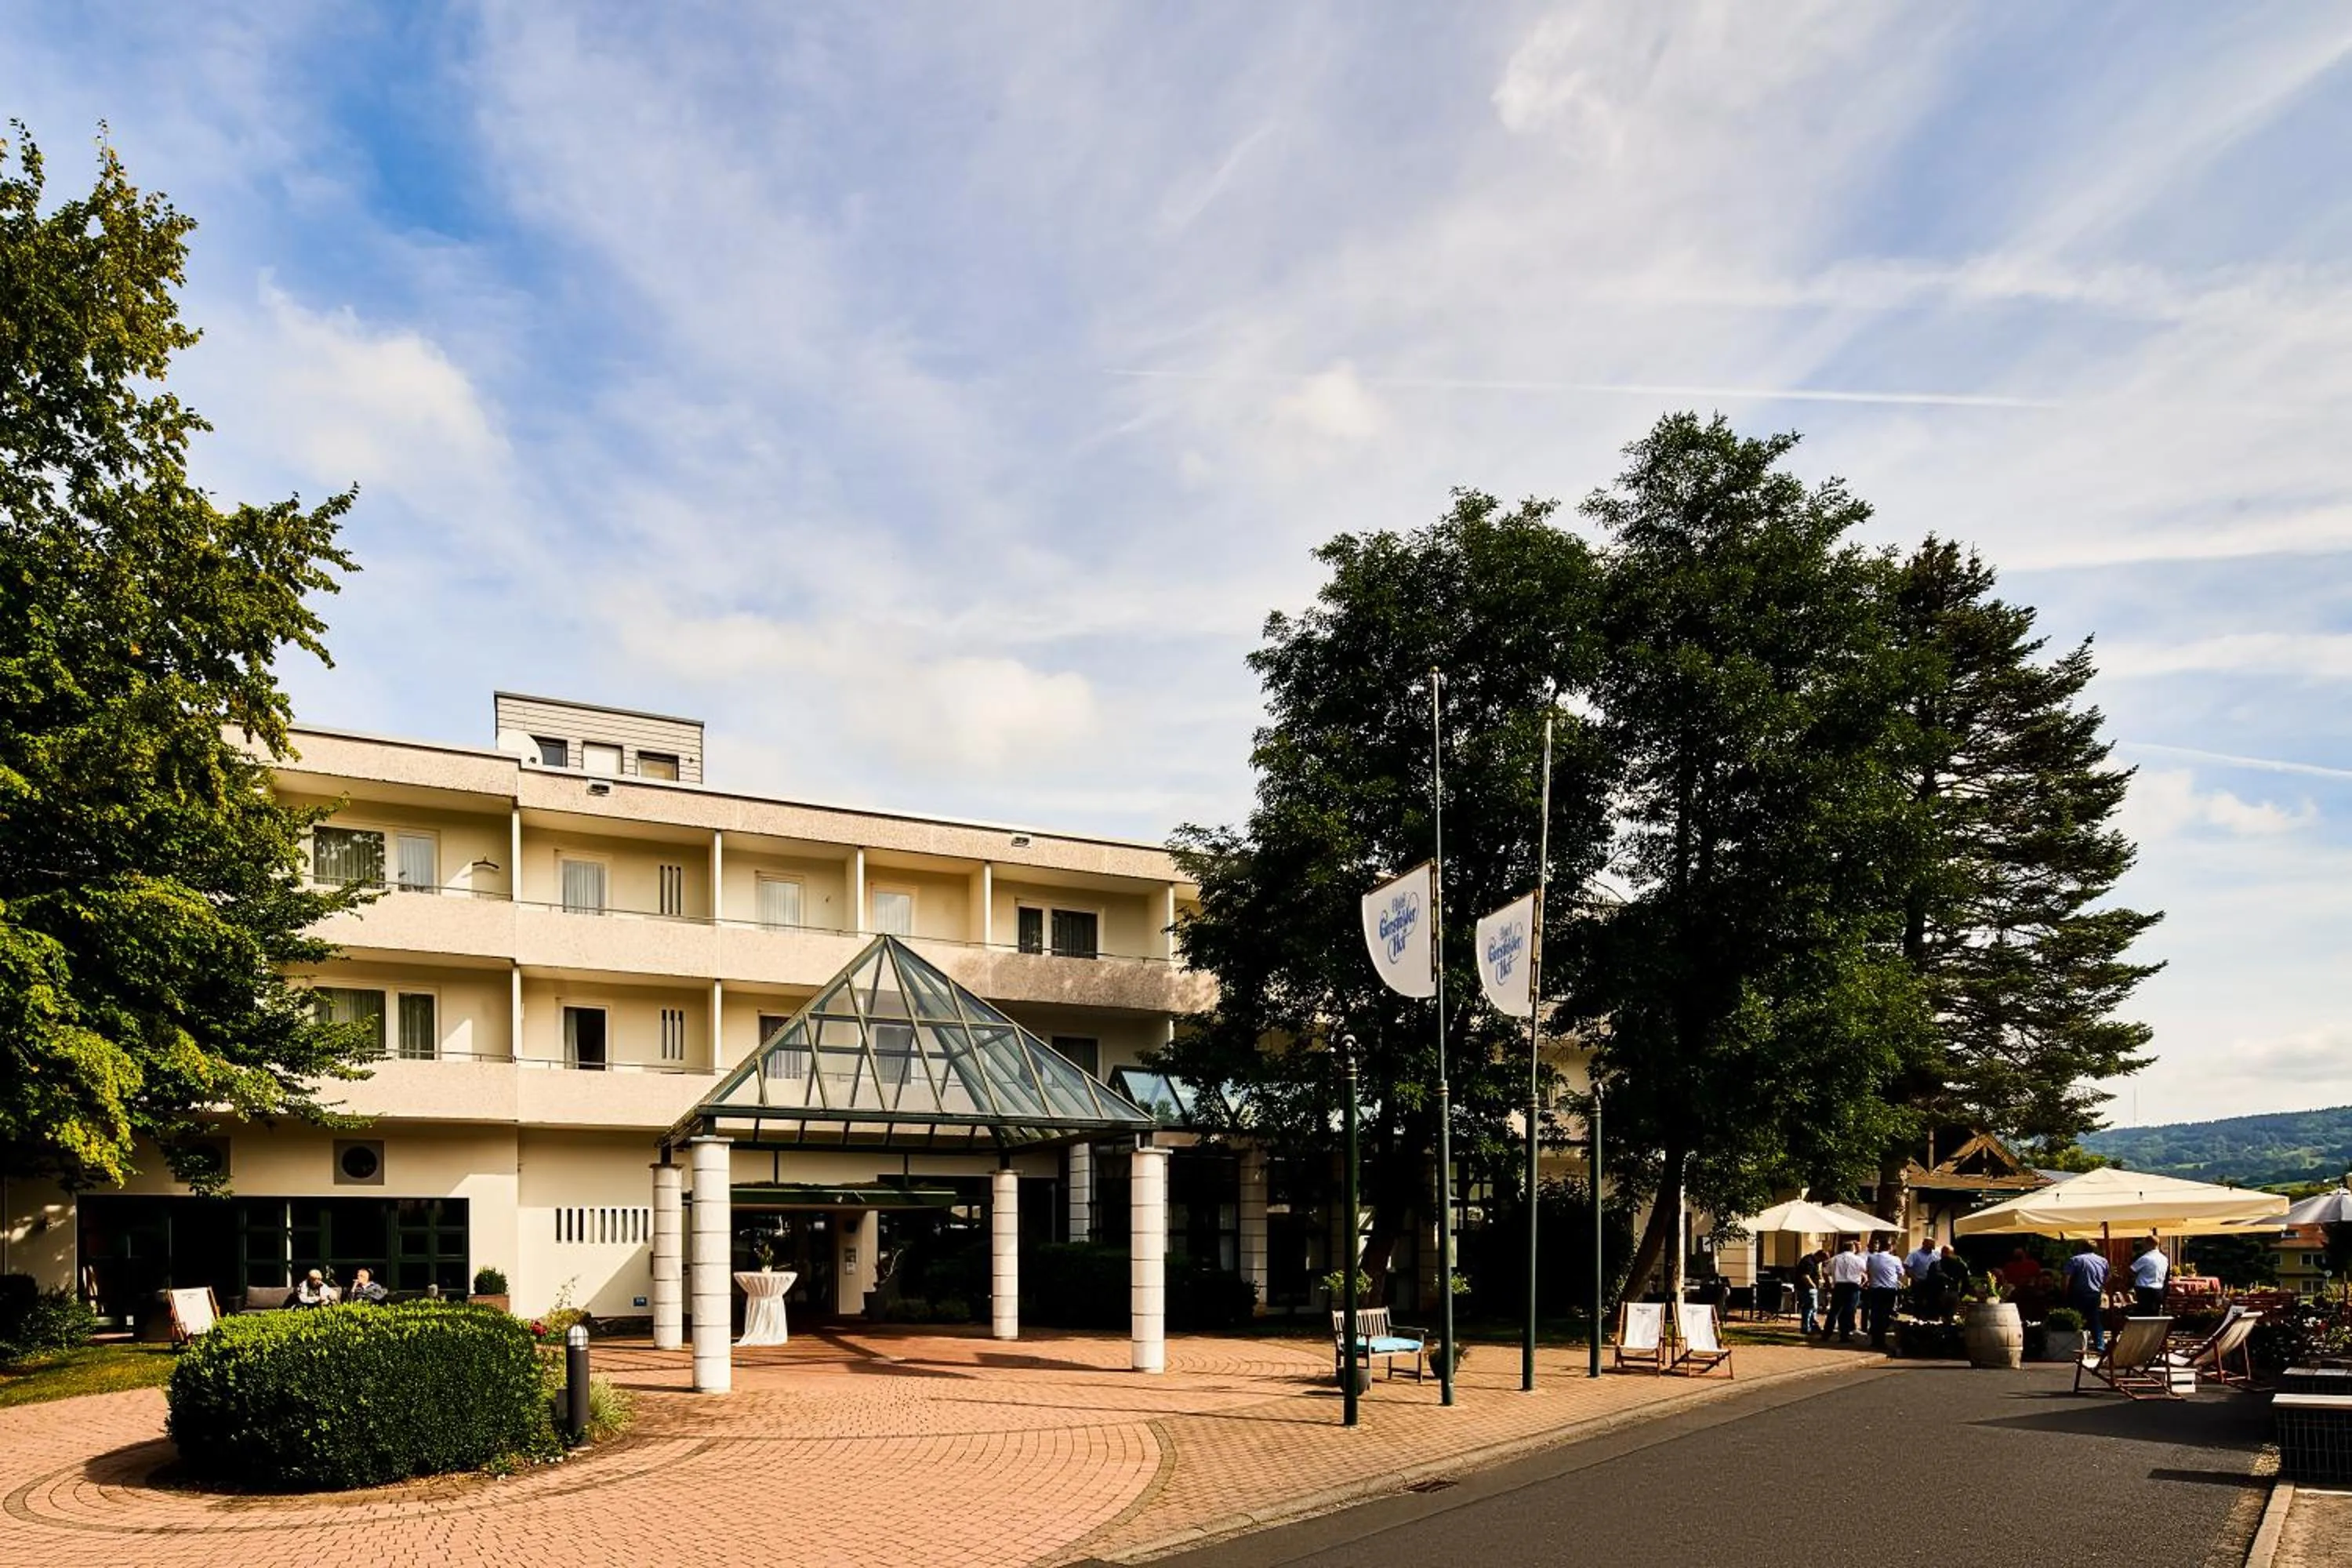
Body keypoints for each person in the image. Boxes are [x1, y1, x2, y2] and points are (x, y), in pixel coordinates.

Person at [2062, 1240, 2111, 1352]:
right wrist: (2101, 1286)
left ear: (2081, 1247)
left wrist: (2064, 1291)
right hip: (2095, 1294)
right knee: (2095, 1319)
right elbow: (2108, 1277)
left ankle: (2076, 1345)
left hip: (2078, 1293)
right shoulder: (2103, 1261)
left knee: (2077, 1318)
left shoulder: (2075, 1260)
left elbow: (2067, 1277)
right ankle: (2100, 1345)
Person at [1863, 1236, 1905, 1350]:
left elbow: (1868, 1271)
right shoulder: (1895, 1259)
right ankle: (1881, 1338)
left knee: (1875, 1314)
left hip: (1875, 1289)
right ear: (1891, 1247)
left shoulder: (1871, 1258)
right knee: (1886, 1314)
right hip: (1889, 1290)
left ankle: (1875, 1339)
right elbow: (1901, 1273)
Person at [1826, 1238, 1867, 1343]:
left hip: (1839, 1286)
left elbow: (1825, 1272)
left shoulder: (1835, 1259)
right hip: (1853, 1286)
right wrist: (1863, 1282)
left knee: (1834, 1310)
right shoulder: (1858, 1259)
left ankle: (1827, 1333)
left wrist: (1828, 1285)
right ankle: (1844, 1335)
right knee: (1848, 1311)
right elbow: (1866, 1271)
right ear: (1853, 1248)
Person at [2129, 1236, 2169, 1313]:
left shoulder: (2146, 1258)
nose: (2143, 1246)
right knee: (2155, 1313)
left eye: (2144, 1244)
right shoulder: (2164, 1259)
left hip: (2145, 1290)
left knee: (2144, 1314)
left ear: (2149, 1244)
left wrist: (2136, 1278)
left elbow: (2132, 1270)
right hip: (2159, 1289)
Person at [1795, 1246, 1827, 1337]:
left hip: (1807, 1288)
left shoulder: (1811, 1261)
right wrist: (1813, 1286)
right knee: (1809, 1307)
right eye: (1822, 1260)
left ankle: (1813, 1326)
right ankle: (1806, 1327)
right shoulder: (1809, 1262)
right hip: (1806, 1288)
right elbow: (1805, 1276)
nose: (1821, 1262)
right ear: (1819, 1256)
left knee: (1813, 1308)